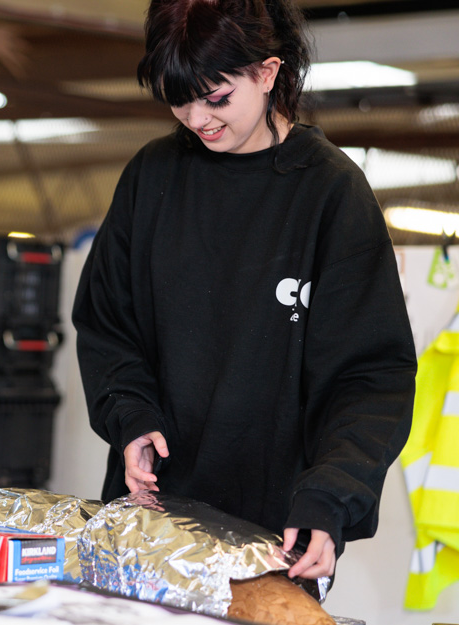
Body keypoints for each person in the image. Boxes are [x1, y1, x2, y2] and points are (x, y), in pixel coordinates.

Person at [71, 0, 417, 583]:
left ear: (267, 72)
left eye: (216, 98)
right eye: (178, 100)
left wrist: (331, 496)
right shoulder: (152, 178)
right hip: (148, 525)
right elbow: (108, 325)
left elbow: (371, 379)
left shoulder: (331, 195)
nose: (197, 119)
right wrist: (129, 417)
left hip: (274, 536)